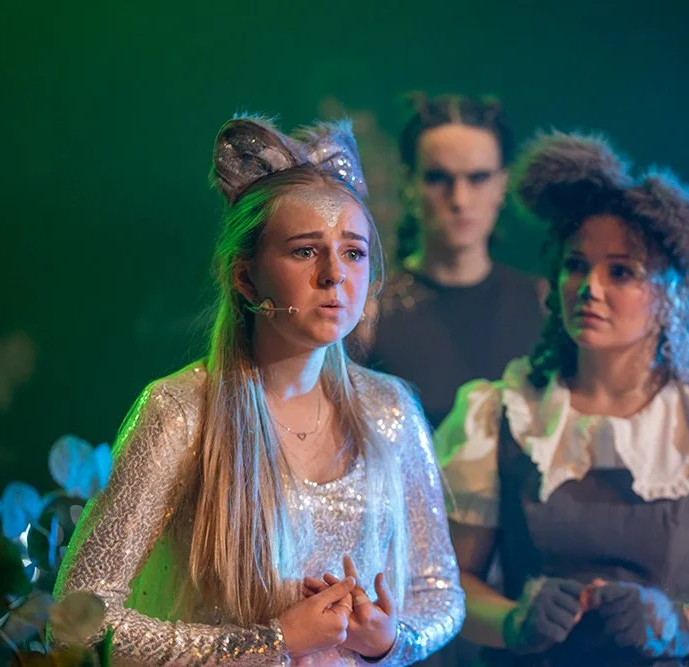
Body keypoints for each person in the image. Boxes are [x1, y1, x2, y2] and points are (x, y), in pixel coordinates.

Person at [53, 115, 464, 666]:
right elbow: (77, 619)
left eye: (353, 252)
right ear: (246, 278)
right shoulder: (181, 412)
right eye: (304, 251)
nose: (334, 275)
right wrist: (271, 644)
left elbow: (440, 594)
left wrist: (390, 640)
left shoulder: (390, 409)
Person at [436, 129, 689, 666]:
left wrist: (681, 627)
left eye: (621, 271)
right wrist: (510, 620)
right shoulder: (500, 414)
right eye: (576, 264)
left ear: (671, 296)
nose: (589, 287)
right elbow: (450, 581)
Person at [361, 93, 544, 429]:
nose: (460, 199)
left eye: (478, 178)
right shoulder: (369, 313)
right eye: (438, 178)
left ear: (502, 185)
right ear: (408, 184)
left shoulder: (544, 303)